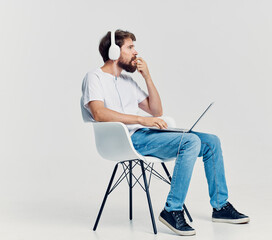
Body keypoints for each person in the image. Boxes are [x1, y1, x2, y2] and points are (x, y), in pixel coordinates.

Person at [81, 29, 249, 236]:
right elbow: (99, 113)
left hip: (145, 135)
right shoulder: (94, 77)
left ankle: (220, 206)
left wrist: (147, 77)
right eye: (130, 47)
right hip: (127, 140)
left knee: (211, 142)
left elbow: (156, 111)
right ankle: (172, 209)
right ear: (114, 52)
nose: (136, 52)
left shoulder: (128, 82)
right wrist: (141, 120)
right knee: (190, 142)